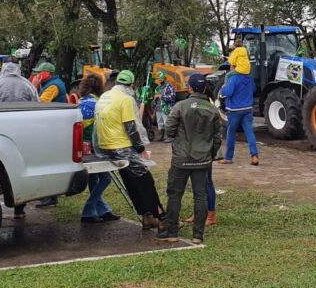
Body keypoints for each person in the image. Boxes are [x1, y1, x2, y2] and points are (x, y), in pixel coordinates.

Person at [156, 73, 223, 244]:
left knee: (175, 194)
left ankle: (172, 233)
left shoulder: (180, 107)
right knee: (200, 195)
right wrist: (211, 154)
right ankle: (197, 236)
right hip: (203, 160)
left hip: (181, 158)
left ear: (190, 88)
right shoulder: (212, 110)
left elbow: (169, 131)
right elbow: (217, 137)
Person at [95, 69, 166, 229]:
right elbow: (131, 127)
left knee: (131, 181)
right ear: (131, 85)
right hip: (122, 146)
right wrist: (140, 148)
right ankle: (162, 218)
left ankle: (147, 217)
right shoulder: (125, 99)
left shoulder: (104, 96)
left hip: (106, 147)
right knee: (145, 181)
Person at [77, 75, 120, 224]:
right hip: (95, 147)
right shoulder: (98, 103)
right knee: (106, 178)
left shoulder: (80, 101)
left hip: (81, 147)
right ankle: (88, 210)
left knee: (94, 179)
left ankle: (104, 211)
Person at [217, 63, 258, 166]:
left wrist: (222, 89)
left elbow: (228, 92)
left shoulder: (233, 78)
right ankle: (254, 156)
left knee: (231, 133)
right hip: (247, 109)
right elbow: (254, 90)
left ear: (234, 67)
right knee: (249, 133)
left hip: (234, 110)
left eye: (231, 66)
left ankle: (228, 158)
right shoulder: (249, 78)